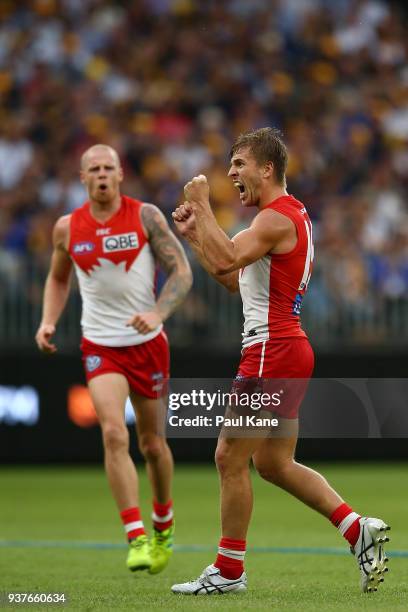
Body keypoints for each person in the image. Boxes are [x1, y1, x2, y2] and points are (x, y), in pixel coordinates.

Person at [171, 127, 390, 595]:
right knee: (272, 462)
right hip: (287, 347)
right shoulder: (286, 218)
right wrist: (195, 236)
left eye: (239, 165)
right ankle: (357, 529)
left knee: (229, 456)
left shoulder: (273, 219)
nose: (231, 174)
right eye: (229, 166)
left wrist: (204, 205)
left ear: (267, 168)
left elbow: (229, 258)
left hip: (272, 349)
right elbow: (234, 279)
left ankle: (229, 571)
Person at [35, 144, 192, 574]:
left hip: (148, 344)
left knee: (153, 445)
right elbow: (57, 278)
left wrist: (157, 313)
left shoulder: (146, 217)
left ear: (121, 174)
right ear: (82, 178)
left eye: (108, 168)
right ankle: (136, 536)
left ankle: (163, 523)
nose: (102, 175)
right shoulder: (67, 228)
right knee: (112, 434)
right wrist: (49, 321)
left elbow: (182, 270)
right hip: (100, 345)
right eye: (93, 169)